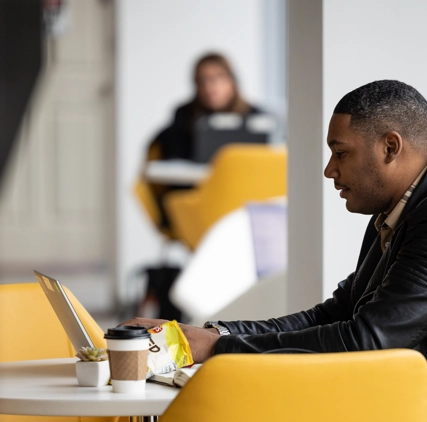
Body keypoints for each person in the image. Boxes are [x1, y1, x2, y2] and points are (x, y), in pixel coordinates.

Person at [127, 79, 427, 363]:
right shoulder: (390, 213)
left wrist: (220, 347)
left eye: (341, 153)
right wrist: (217, 335)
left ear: (390, 147)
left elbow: (365, 340)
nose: (329, 170)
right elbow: (332, 316)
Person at [151, 52, 262, 161]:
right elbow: (172, 159)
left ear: (232, 81)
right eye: (202, 80)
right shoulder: (184, 115)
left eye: (217, 78)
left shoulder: (257, 117)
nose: (209, 87)